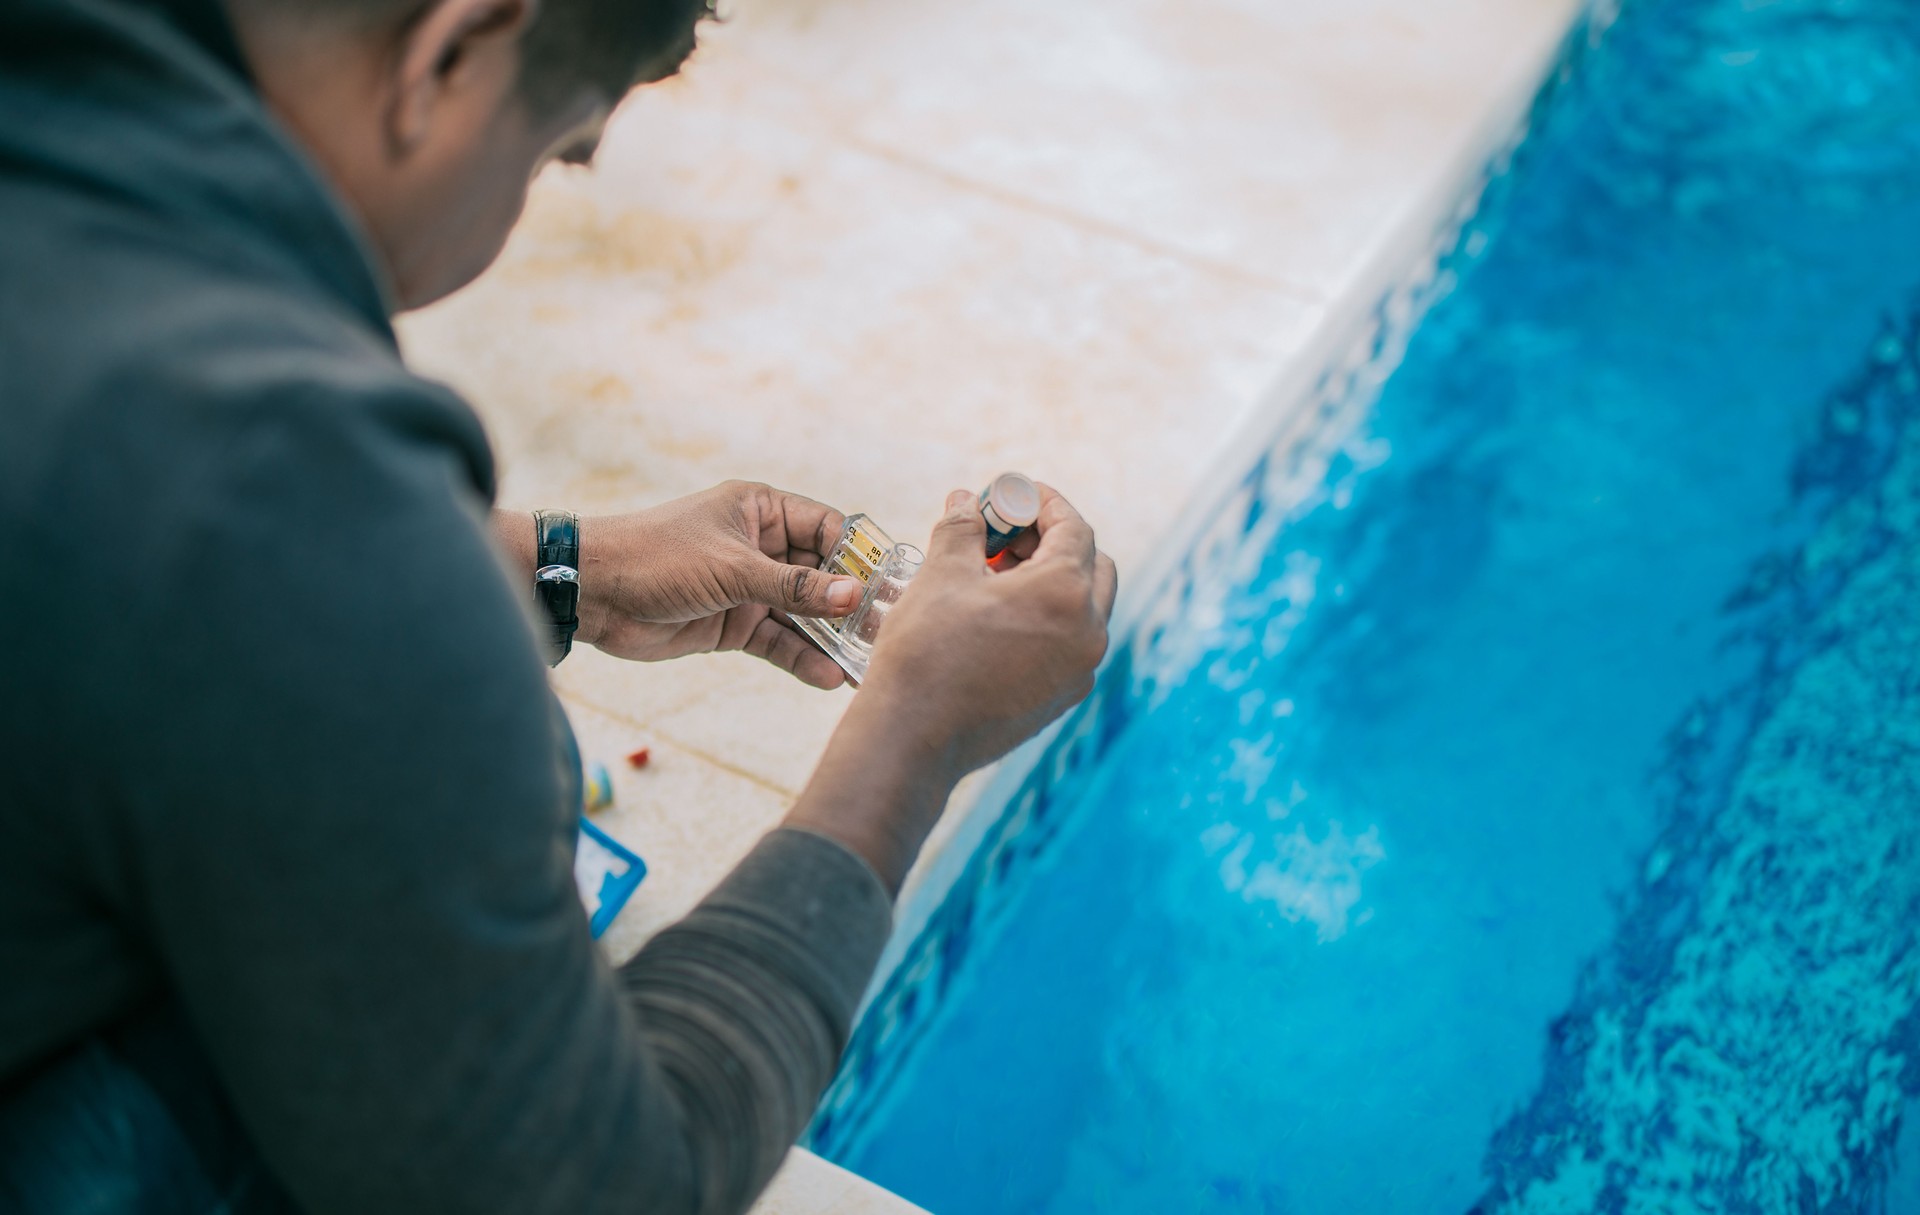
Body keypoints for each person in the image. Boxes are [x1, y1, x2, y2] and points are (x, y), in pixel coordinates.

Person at [0, 0, 1118, 1211]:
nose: (521, 198)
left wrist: (553, 567)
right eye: (552, 152)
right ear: (450, 52)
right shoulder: (277, 486)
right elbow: (592, 1186)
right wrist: (916, 734)